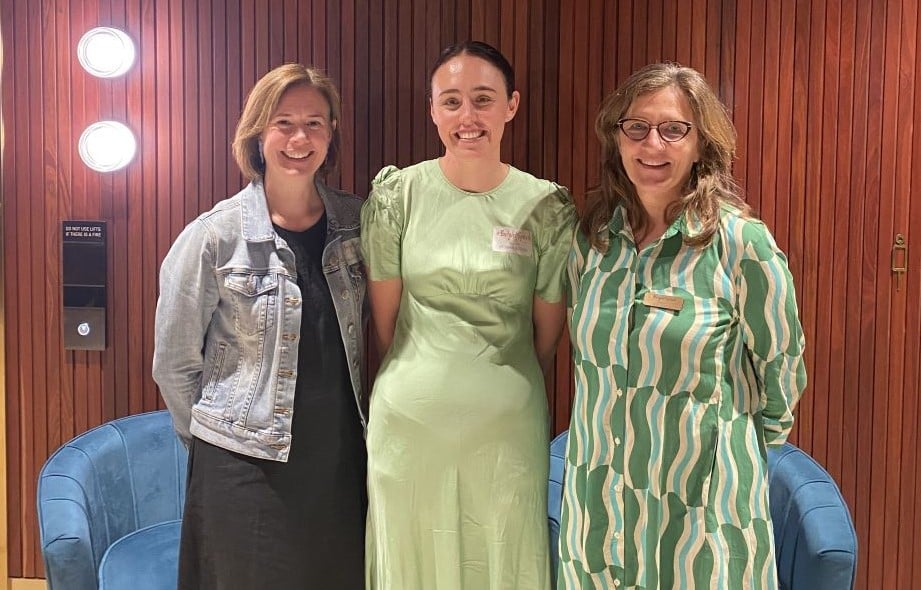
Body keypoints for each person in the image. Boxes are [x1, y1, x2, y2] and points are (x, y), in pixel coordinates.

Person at [558, 62, 807, 589]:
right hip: (599, 510)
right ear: (618, 139)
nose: (654, 144)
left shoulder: (742, 246)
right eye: (638, 127)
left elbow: (781, 371)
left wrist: (730, 454)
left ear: (701, 146)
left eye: (674, 129)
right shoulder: (594, 240)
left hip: (701, 521)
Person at [361, 40, 577, 590]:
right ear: (432, 109)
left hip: (507, 429)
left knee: (504, 555)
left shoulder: (546, 207)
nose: (468, 117)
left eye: (483, 99)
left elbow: (545, 336)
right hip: (409, 423)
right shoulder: (397, 196)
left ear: (511, 105)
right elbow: (384, 326)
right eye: (451, 101)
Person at [151, 63, 367, 589]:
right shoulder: (213, 237)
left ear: (332, 131)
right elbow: (174, 364)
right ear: (257, 133)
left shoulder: (360, 224)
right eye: (283, 122)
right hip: (243, 466)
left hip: (339, 461)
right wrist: (217, 441)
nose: (299, 138)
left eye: (314, 123)